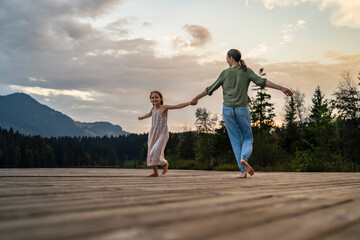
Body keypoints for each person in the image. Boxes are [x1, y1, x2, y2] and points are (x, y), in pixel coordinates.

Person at [191, 49, 293, 178]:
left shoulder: (224, 73)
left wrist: (196, 98)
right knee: (248, 138)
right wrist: (281, 88)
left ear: (232, 58)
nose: (226, 60)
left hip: (228, 110)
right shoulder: (246, 71)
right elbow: (263, 82)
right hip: (242, 109)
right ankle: (244, 158)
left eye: (227, 58)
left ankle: (242, 171)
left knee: (235, 140)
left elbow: (210, 89)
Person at [138, 90, 193, 177]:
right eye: (152, 98)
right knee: (150, 152)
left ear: (161, 98)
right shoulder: (152, 109)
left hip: (162, 133)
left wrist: (190, 102)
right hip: (153, 133)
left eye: (156, 97)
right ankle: (155, 173)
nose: (154, 99)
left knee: (156, 150)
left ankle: (165, 163)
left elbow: (177, 106)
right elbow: (149, 115)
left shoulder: (164, 108)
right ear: (150, 100)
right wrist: (142, 117)